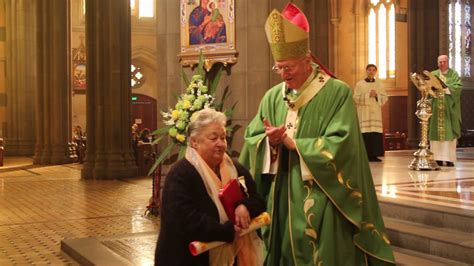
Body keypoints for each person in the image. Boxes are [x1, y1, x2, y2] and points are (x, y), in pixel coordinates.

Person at [239, 3, 395, 265]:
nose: (284, 74)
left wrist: (295, 144)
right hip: (280, 196)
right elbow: (252, 139)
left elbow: (343, 144)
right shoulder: (272, 97)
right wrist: (269, 142)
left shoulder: (337, 92)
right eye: (279, 68)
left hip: (322, 195)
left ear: (308, 60)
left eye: (289, 67)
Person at [155, 108, 266, 265]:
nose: (221, 144)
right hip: (188, 259)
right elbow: (186, 220)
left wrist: (245, 206)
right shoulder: (180, 174)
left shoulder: (235, 169)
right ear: (194, 142)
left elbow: (258, 200)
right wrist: (226, 232)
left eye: (223, 137)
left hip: (233, 256)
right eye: (213, 138)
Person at [429, 55, 462, 167]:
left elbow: (458, 87)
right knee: (435, 134)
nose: (442, 64)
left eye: (444, 62)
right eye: (440, 62)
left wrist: (446, 88)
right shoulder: (433, 74)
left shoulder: (453, 74)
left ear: (448, 62)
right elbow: (427, 88)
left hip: (448, 109)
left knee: (449, 132)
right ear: (437, 63)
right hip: (435, 108)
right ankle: (437, 158)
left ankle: (448, 159)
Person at [353, 64, 388, 162]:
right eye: (369, 70)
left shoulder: (380, 84)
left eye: (373, 70)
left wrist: (377, 95)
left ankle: (374, 155)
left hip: (375, 113)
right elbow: (355, 98)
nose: (371, 72)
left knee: (375, 134)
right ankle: (365, 156)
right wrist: (368, 95)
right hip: (364, 114)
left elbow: (385, 98)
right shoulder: (360, 84)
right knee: (366, 134)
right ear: (366, 71)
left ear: (375, 72)